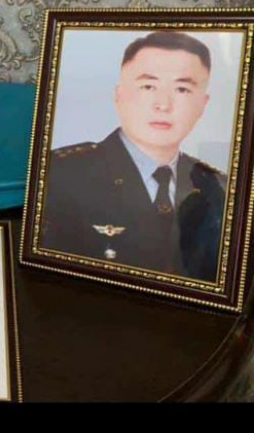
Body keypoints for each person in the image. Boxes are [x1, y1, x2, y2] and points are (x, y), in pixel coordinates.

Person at [41, 31, 226, 281]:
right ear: (119, 95)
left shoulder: (217, 187)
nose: (163, 104)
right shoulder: (59, 174)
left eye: (182, 89)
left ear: (203, 104)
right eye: (148, 86)